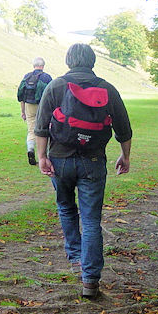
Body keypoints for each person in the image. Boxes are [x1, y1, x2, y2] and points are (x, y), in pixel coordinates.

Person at [34, 43, 132, 298]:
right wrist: (125, 155)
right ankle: (90, 279)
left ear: (68, 61)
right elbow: (124, 128)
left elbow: (41, 126)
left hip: (60, 160)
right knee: (90, 220)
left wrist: (42, 156)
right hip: (94, 161)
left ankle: (76, 255)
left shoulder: (55, 86)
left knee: (66, 207)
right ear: (92, 61)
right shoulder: (108, 88)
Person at [17, 57, 53, 166]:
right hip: (43, 106)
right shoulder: (47, 77)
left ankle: (30, 149)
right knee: (44, 129)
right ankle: (44, 155)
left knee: (31, 130)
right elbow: (51, 95)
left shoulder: (27, 77)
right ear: (43, 66)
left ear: (34, 66)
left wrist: (23, 112)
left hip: (29, 105)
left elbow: (21, 96)